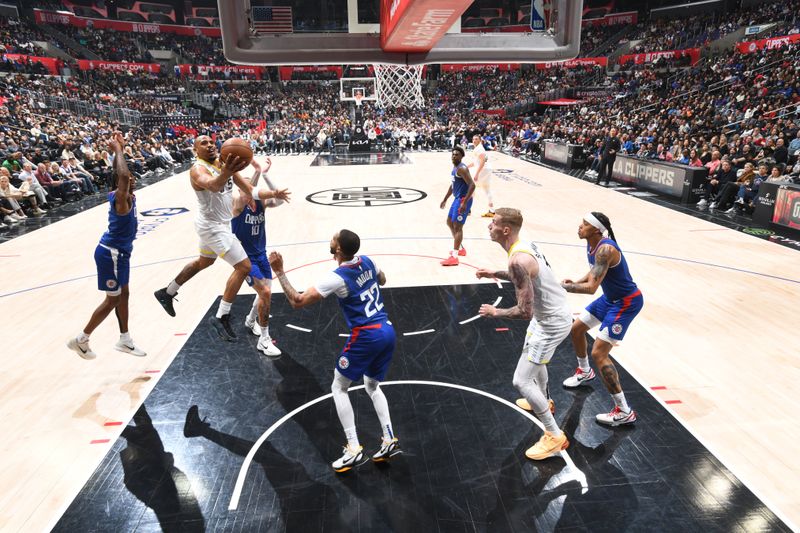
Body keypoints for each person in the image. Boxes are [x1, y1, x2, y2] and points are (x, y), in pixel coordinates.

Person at [268, 230, 400, 472]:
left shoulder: (338, 277)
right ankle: (389, 437)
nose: (331, 238)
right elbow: (383, 280)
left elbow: (297, 301)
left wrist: (279, 271)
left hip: (367, 335)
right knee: (372, 386)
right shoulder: (368, 261)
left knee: (339, 387)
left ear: (338, 249)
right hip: (387, 331)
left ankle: (353, 448)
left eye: (334, 238)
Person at [153, 136, 290, 341]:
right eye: (203, 143)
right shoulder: (198, 170)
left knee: (204, 261)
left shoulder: (222, 164)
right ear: (195, 150)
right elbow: (214, 185)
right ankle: (221, 316)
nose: (209, 145)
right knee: (243, 267)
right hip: (213, 227)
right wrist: (227, 171)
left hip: (216, 224)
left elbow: (250, 189)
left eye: (211, 142)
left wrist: (273, 192)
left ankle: (168, 291)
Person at [476, 208, 573, 460]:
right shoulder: (523, 246)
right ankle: (545, 400)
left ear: (506, 230)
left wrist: (495, 312)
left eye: (494, 223)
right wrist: (493, 273)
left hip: (550, 322)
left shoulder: (518, 260)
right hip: (550, 313)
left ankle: (554, 436)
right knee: (531, 356)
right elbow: (523, 276)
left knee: (520, 381)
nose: (490, 227)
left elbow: (524, 312)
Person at [66, 133, 146, 360]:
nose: (132, 179)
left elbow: (119, 173)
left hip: (121, 253)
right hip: (110, 254)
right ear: (122, 183)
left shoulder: (126, 195)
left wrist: (119, 153)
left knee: (125, 294)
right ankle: (81, 339)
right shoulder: (121, 199)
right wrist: (118, 149)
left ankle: (125, 340)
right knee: (113, 299)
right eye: (129, 178)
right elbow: (121, 174)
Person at [560, 212, 643, 426]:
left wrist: (564, 287)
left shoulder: (606, 249)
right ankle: (584, 372)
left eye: (584, 224)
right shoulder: (591, 244)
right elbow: (594, 274)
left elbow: (591, 288)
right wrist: (575, 281)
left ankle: (624, 411)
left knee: (599, 352)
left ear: (597, 229)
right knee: (577, 329)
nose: (579, 227)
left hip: (626, 303)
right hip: (610, 298)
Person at [231, 157, 284, 357]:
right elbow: (246, 193)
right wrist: (257, 171)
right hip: (244, 259)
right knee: (265, 294)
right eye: (245, 187)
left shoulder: (260, 203)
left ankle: (250, 320)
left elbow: (278, 199)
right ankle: (264, 339)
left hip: (261, 254)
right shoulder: (237, 204)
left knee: (266, 291)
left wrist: (266, 174)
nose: (249, 191)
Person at [439, 145, 475, 266]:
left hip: (463, 199)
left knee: (458, 226)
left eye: (457, 154)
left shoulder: (462, 169)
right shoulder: (455, 168)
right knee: (449, 221)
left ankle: (454, 257)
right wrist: (445, 199)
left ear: (462, 156)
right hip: (457, 199)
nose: (454, 156)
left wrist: (465, 203)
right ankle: (460, 248)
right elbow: (452, 185)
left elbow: (472, 185)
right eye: (453, 154)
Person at [467, 134, 495, 218]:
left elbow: (482, 162)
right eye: (473, 139)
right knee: (487, 189)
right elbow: (476, 162)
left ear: (479, 140)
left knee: (471, 187)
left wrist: (477, 174)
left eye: (476, 139)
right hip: (486, 170)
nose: (474, 140)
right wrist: (466, 167)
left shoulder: (479, 149)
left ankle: (468, 209)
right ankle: (492, 210)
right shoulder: (479, 148)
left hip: (483, 170)